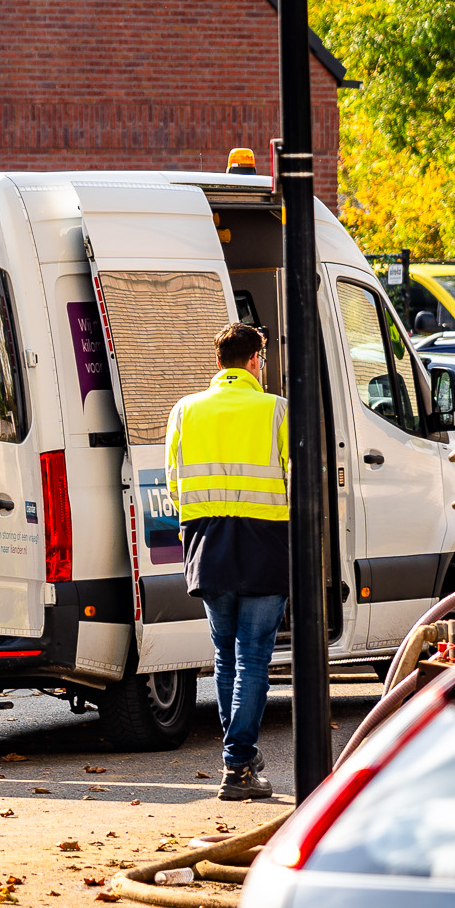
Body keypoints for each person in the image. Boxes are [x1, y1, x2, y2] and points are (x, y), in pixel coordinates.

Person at [166, 323, 288, 801]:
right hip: (265, 543)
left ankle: (240, 757)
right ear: (256, 360)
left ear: (218, 362)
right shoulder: (276, 410)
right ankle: (237, 763)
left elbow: (173, 482)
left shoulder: (185, 410)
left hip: (207, 542)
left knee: (225, 656)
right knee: (253, 656)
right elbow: (299, 479)